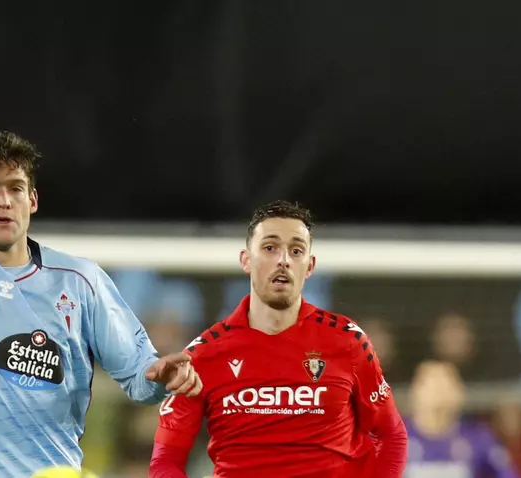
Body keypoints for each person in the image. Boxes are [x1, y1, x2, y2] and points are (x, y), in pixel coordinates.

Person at [0, 43, 201, 477]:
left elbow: (138, 376)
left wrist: (161, 376)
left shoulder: (80, 281)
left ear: (32, 200)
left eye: (15, 188)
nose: (3, 200)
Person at [149, 200, 407, 478]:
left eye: (296, 250)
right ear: (246, 260)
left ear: (309, 266)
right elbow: (165, 460)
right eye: (270, 248)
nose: (283, 260)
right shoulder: (202, 355)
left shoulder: (347, 340)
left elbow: (391, 435)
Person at [404, 360, 520, 478]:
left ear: (460, 393)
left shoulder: (478, 437)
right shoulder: (396, 439)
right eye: (432, 385)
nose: (439, 393)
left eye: (446, 385)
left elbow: (508, 473)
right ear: (414, 392)